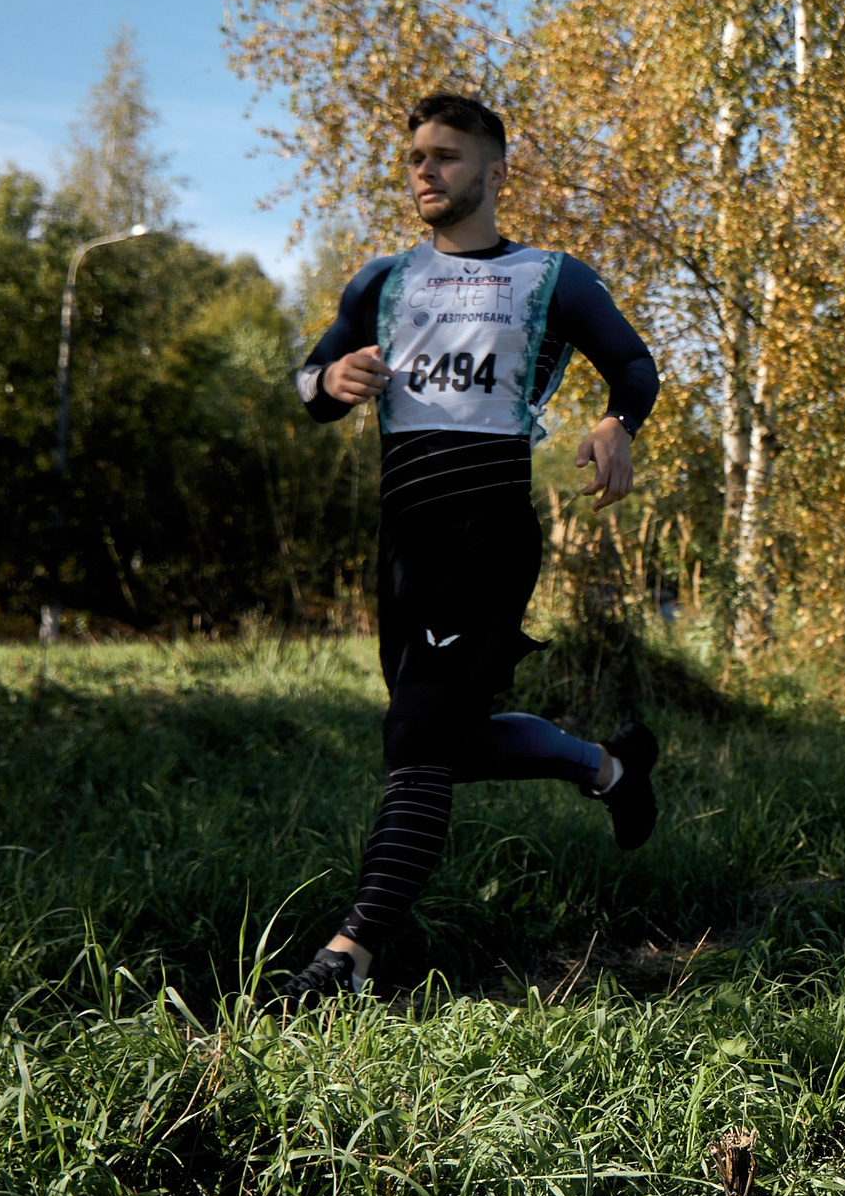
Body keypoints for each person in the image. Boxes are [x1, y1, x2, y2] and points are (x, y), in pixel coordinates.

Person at [275, 93, 663, 1006]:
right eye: (416, 156)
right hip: (403, 544)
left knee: (416, 737)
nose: (425, 171)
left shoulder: (549, 278)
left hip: (486, 535)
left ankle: (348, 957)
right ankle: (607, 766)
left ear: (495, 171)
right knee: (440, 739)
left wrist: (617, 423)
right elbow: (306, 383)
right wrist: (331, 379)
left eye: (446, 156)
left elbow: (635, 366)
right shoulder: (383, 280)